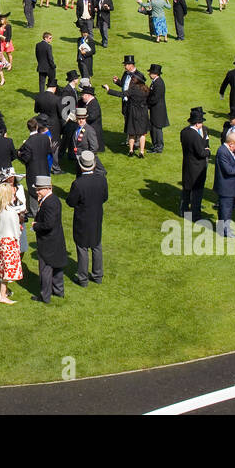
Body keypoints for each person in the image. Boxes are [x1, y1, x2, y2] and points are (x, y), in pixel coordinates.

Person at [67, 150, 108, 286]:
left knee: (82, 247)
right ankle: (97, 275)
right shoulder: (101, 180)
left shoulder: (78, 183)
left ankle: (83, 278)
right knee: (96, 245)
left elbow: (70, 202)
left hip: (82, 220)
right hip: (96, 217)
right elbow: (105, 197)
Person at [0, 175, 26, 304]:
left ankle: (4, 291)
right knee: (7, 271)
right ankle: (2, 295)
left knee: (0, 268)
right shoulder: (10, 212)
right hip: (8, 242)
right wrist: (20, 230)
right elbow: (16, 231)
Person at [104, 56, 149, 158]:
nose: (124, 66)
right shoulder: (126, 74)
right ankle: (133, 145)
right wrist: (118, 82)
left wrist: (109, 90)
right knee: (129, 122)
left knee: (132, 127)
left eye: (126, 64)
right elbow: (124, 86)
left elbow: (125, 92)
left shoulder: (138, 76)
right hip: (132, 105)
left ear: (131, 65)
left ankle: (133, 145)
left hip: (133, 105)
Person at [31, 175, 66, 303]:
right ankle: (58, 291)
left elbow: (48, 224)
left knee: (45, 269)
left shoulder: (49, 203)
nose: (37, 192)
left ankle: (45, 296)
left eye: (39, 189)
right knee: (57, 266)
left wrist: (36, 226)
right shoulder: (54, 199)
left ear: (48, 188)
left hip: (47, 241)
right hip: (56, 239)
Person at [180, 106, 211, 221]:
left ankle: (184, 211)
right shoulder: (195, 136)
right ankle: (195, 215)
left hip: (188, 164)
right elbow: (202, 153)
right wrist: (208, 151)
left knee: (187, 189)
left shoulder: (184, 132)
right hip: (197, 166)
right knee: (197, 191)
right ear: (197, 123)